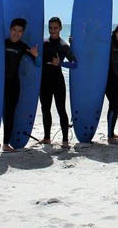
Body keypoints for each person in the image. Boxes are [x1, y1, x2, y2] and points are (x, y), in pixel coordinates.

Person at [3, 18, 40, 152]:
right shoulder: (2, 43)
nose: (16, 33)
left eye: (20, 31)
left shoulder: (22, 46)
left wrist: (36, 55)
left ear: (23, 33)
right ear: (10, 30)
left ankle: (5, 143)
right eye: (14, 30)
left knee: (10, 113)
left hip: (13, 84)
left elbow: (38, 64)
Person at [40, 17, 77, 148]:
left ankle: (65, 140)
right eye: (50, 28)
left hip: (58, 81)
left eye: (55, 28)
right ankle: (47, 138)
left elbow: (75, 63)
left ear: (60, 28)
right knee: (45, 110)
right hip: (44, 82)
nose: (52, 30)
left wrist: (60, 63)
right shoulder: (43, 43)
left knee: (61, 110)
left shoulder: (63, 45)